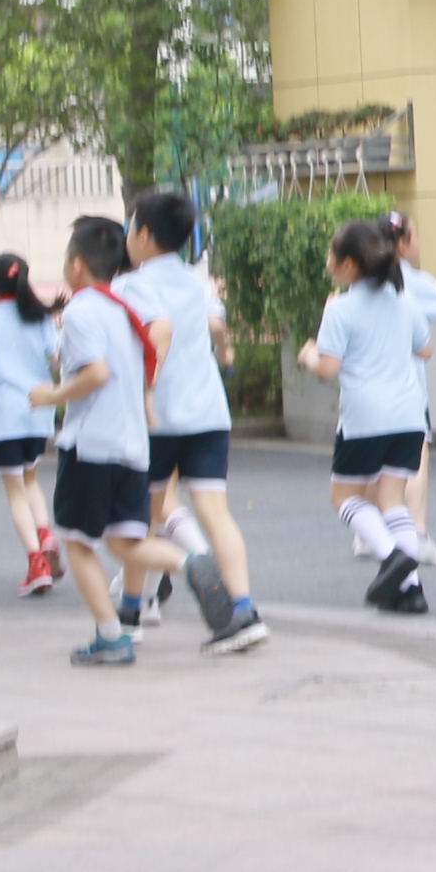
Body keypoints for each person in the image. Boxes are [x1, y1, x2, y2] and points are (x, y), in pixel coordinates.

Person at [32, 215, 181, 667]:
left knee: (79, 543)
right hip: (132, 444)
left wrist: (51, 395)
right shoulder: (123, 310)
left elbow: (95, 374)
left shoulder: (80, 310)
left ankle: (111, 634)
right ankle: (194, 565)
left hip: (91, 443)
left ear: (77, 265)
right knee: (127, 543)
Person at [125, 189, 266, 654]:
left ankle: (130, 610)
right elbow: (217, 328)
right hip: (208, 411)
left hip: (155, 418)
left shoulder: (131, 286)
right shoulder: (198, 283)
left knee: (140, 519)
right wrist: (224, 352)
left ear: (143, 234)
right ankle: (243, 608)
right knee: (215, 511)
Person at [298, 215, 435, 615]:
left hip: (365, 417)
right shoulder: (405, 300)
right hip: (409, 414)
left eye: (331, 254)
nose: (327, 261)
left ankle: (392, 556)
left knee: (344, 497)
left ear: (348, 266)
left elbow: (326, 367)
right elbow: (425, 349)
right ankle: (410, 590)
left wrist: (308, 353)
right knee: (393, 500)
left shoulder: (340, 308)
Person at [0, 254, 64, 598]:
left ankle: (36, 561)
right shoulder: (40, 320)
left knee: (15, 492)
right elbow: (56, 358)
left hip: (4, 415)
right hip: (38, 412)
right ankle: (46, 532)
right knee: (31, 480)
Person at [392, 213, 436, 566]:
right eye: (415, 234)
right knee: (416, 456)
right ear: (402, 243)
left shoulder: (357, 284)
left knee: (379, 462)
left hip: (364, 394)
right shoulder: (414, 284)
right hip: (408, 389)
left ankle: (371, 532)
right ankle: (416, 534)